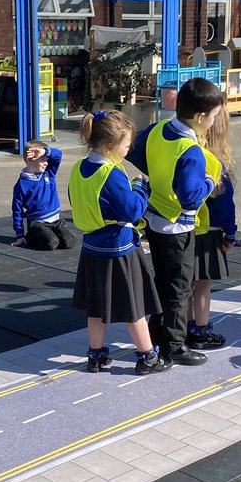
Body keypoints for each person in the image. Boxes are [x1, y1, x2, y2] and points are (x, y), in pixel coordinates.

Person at [125, 77, 221, 367]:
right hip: (178, 225)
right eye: (214, 117)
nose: (215, 123)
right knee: (179, 288)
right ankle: (174, 345)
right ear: (201, 117)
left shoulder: (158, 129)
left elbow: (137, 154)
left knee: (163, 281)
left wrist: (158, 177)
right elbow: (191, 197)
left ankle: (157, 331)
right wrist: (210, 178)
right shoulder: (191, 151)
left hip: (155, 217)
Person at [69, 110, 169, 376]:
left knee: (96, 307)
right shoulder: (111, 174)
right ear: (111, 147)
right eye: (126, 145)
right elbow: (133, 211)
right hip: (119, 248)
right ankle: (147, 356)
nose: (128, 150)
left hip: (92, 246)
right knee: (133, 306)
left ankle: (96, 355)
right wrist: (140, 187)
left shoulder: (80, 167)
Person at [187, 100, 235, 350]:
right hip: (209, 231)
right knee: (203, 284)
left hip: (185, 228)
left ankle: (186, 324)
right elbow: (225, 204)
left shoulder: (187, 155)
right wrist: (231, 233)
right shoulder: (217, 164)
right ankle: (201, 329)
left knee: (186, 284)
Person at [11, 141, 74, 251]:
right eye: (43, 160)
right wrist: (20, 235)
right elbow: (17, 210)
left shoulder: (49, 173)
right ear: (30, 160)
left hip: (55, 221)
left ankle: (55, 230)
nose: (46, 163)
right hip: (38, 222)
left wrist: (45, 152)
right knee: (51, 243)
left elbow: (58, 155)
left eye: (47, 160)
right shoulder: (21, 185)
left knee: (69, 242)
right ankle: (31, 235)